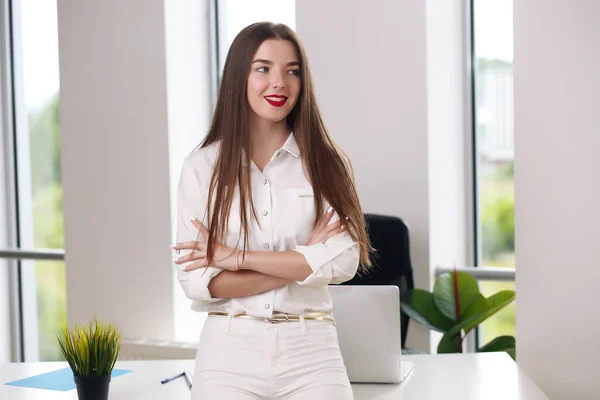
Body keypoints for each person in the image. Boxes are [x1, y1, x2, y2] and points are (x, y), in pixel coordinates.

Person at [172, 21, 372, 400]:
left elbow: (343, 263)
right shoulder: (200, 167)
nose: (279, 82)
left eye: (291, 70)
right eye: (263, 68)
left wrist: (234, 257)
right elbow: (201, 283)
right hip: (228, 353)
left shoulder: (329, 163)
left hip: (312, 349)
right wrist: (303, 260)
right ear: (238, 76)